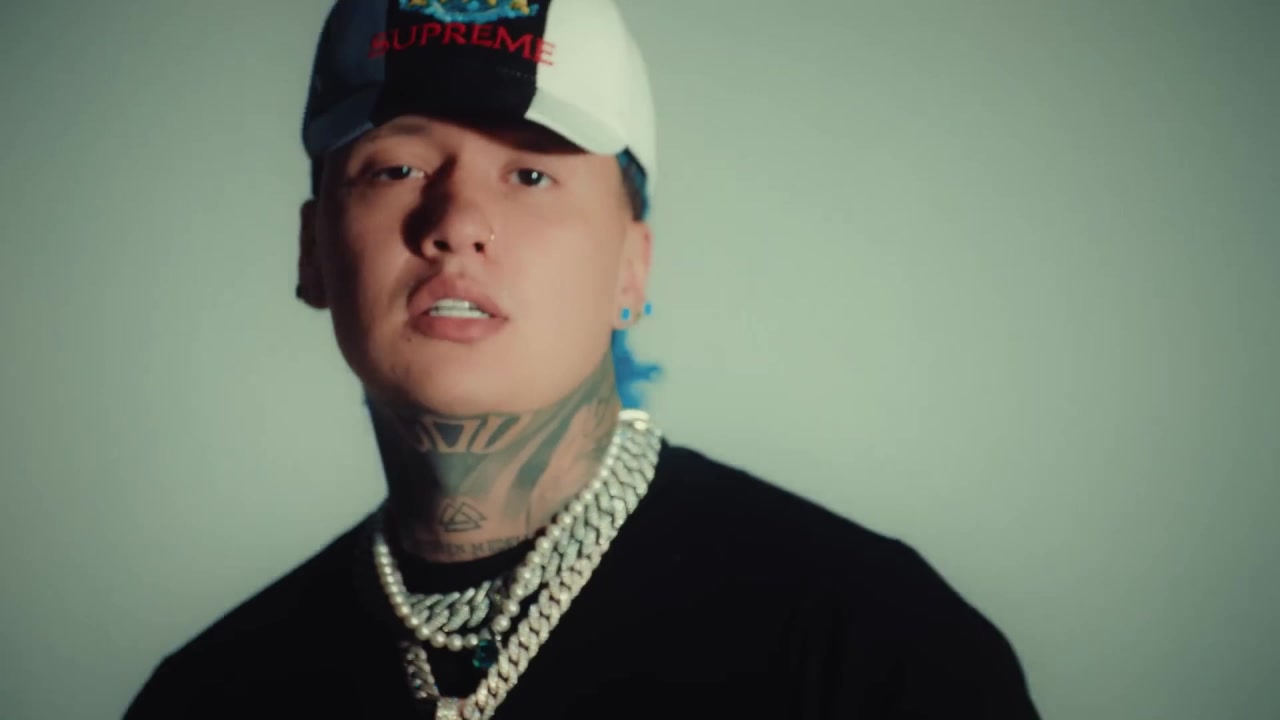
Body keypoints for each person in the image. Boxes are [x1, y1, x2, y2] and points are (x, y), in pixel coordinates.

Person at [124, 1, 1040, 718]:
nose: (456, 224)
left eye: (532, 174)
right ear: (312, 252)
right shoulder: (209, 695)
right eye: (396, 168)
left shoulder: (872, 645)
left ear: (631, 267)